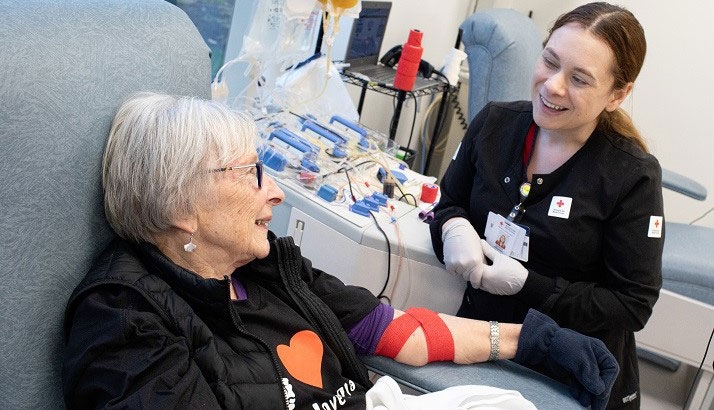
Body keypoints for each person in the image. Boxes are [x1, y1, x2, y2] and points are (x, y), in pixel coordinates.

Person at [62, 92, 618, 410]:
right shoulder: (124, 321)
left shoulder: (266, 265)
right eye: (251, 174)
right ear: (182, 206)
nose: (274, 191)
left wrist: (528, 341)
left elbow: (392, 332)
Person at [430, 3, 663, 409]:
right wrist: (452, 227)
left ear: (617, 94)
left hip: (565, 369)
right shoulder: (495, 124)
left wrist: (529, 286)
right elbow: (449, 203)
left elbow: (631, 305)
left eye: (579, 79)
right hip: (476, 341)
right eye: (549, 61)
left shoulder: (631, 177)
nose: (552, 86)